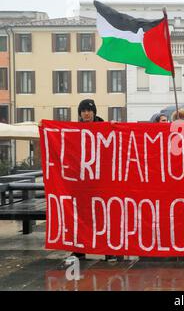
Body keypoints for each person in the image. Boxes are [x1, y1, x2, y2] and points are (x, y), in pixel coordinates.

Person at [74, 99, 118, 262]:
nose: (86, 113)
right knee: (81, 216)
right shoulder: (75, 129)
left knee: (104, 216)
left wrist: (115, 127)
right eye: (83, 110)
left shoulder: (105, 128)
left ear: (94, 112)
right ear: (80, 113)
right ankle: (79, 250)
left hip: (102, 181)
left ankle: (108, 250)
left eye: (89, 110)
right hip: (82, 181)